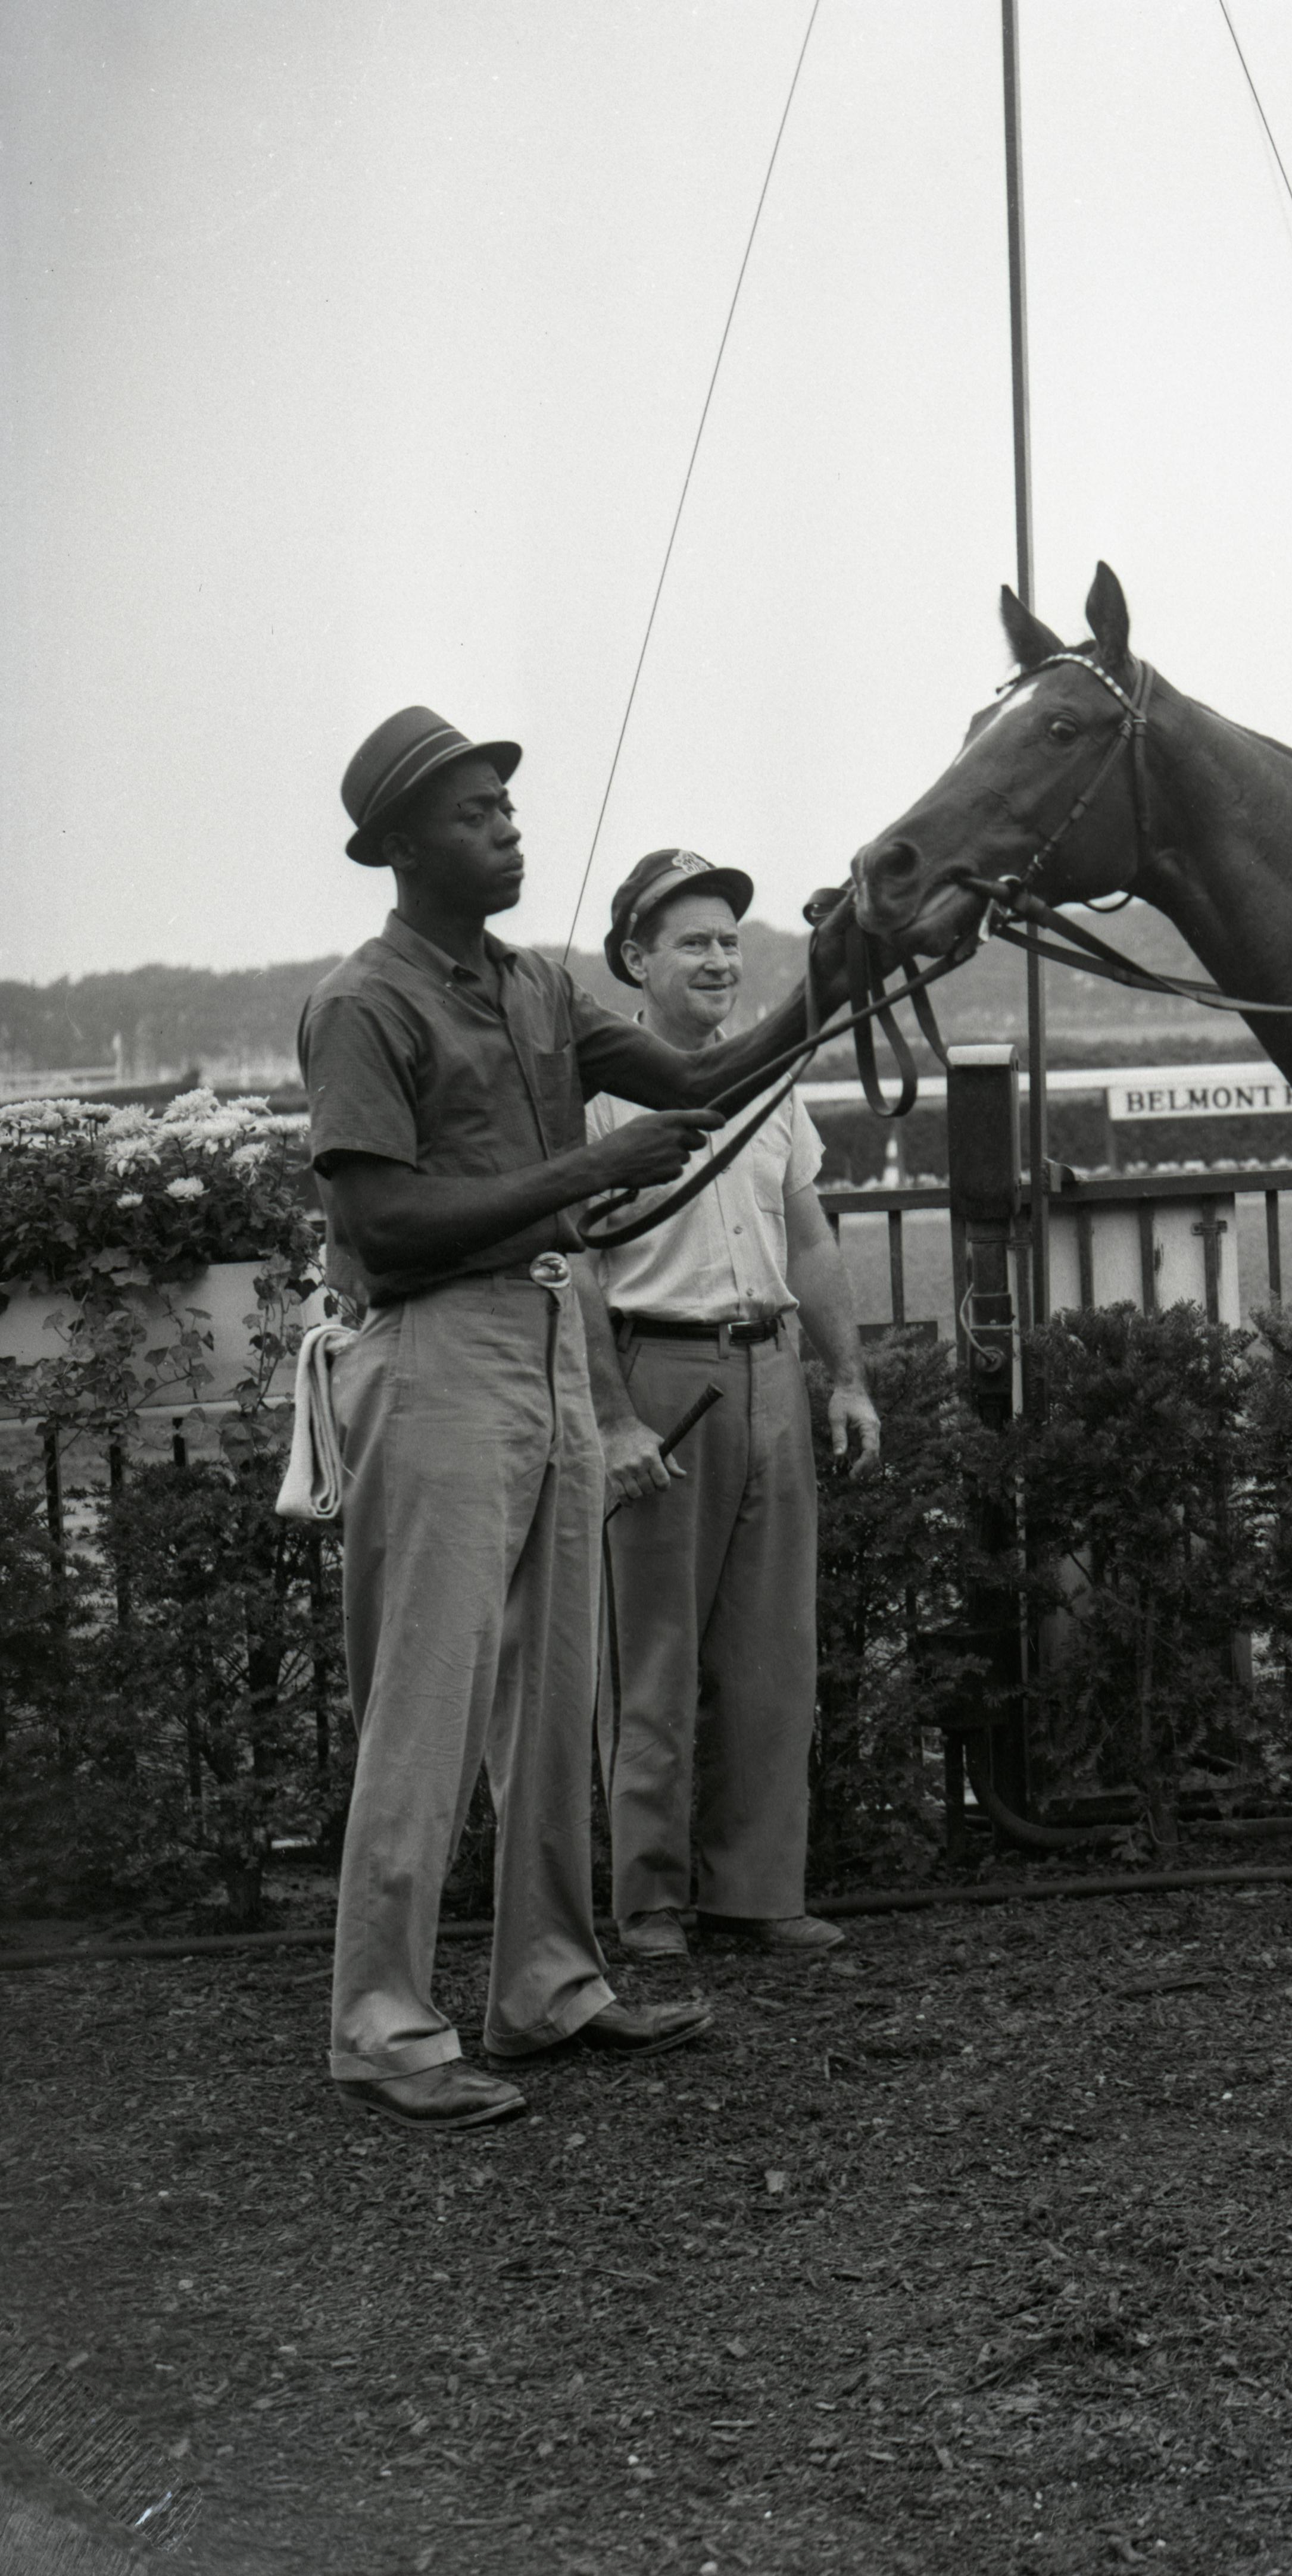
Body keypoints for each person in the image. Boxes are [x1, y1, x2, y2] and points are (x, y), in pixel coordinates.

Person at [300, 706, 853, 2133]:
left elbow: (695, 1078)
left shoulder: (536, 987)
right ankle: (381, 2020)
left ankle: (546, 1980)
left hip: (544, 1337)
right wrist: (579, 1170)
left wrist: (846, 969)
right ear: (403, 845)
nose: (509, 824)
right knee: (427, 1706)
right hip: (432, 1353)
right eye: (477, 810)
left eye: (507, 804)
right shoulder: (366, 1002)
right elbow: (380, 1217)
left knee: (557, 1698)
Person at [585, 849, 880, 1962]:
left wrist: (845, 1375)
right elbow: (573, 1266)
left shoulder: (769, 1078)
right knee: (651, 1658)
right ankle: (651, 1904)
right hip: (658, 1374)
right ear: (635, 959)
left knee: (771, 1653)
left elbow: (808, 1233)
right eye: (692, 942)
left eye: (727, 942)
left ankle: (758, 1892)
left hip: (770, 1375)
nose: (718, 959)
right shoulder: (593, 1091)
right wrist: (612, 1416)